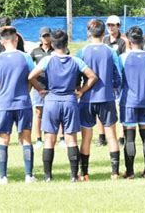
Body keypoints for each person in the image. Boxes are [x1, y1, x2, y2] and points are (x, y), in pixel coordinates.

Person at [29, 29, 97, 182]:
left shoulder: (47, 60)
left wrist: (40, 89)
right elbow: (92, 77)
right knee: (71, 139)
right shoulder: (75, 61)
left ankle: (48, 176)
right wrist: (81, 91)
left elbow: (31, 76)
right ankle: (73, 176)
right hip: (70, 101)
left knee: (49, 139)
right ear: (66, 44)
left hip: (51, 100)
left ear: (52, 44)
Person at [76, 19, 122, 180]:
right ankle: (115, 172)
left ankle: (84, 172)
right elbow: (118, 74)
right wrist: (114, 86)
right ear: (104, 33)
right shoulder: (110, 51)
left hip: (87, 99)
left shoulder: (82, 52)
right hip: (106, 97)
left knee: (86, 137)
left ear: (89, 33)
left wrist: (79, 90)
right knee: (111, 135)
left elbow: (77, 73)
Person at [0, 26, 37, 184]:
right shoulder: (25, 57)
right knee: (26, 139)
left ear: (2, 41)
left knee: (3, 140)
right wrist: (26, 89)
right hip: (23, 103)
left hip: (4, 104)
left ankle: (3, 176)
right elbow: (31, 77)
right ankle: (28, 175)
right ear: (16, 39)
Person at [120, 26, 145, 179]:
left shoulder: (123, 58)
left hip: (129, 101)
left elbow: (119, 79)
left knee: (129, 137)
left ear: (128, 40)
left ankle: (130, 171)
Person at [0, 17, 25, 146]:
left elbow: (22, 54)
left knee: (17, 107)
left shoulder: (17, 36)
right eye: (3, 27)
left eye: (8, 25)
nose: (6, 28)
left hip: (14, 77)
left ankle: (21, 137)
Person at [103, 15, 128, 147]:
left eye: (113, 25)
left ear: (118, 26)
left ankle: (122, 136)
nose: (110, 28)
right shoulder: (104, 40)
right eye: (109, 25)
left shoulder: (123, 41)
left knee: (121, 106)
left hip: (120, 79)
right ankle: (103, 137)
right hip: (107, 80)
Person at [29, 27, 53, 148]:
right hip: (39, 86)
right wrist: (37, 87)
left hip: (54, 86)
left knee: (54, 113)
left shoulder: (56, 50)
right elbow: (29, 68)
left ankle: (61, 138)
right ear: (40, 38)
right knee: (38, 113)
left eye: (48, 35)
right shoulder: (34, 52)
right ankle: (39, 139)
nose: (46, 38)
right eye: (44, 36)